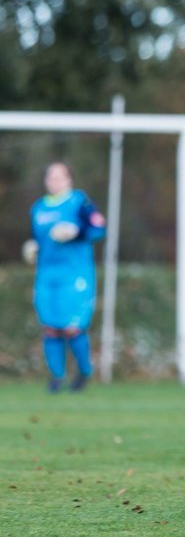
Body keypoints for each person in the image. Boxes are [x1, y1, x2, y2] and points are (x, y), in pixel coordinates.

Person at [25, 162, 107, 393]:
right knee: (50, 327)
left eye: (60, 177)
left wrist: (77, 232)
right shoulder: (38, 209)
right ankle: (56, 378)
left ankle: (84, 371)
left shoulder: (79, 202)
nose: (55, 181)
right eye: (51, 177)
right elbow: (39, 240)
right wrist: (33, 248)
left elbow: (99, 228)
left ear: (69, 179)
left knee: (72, 327)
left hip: (75, 273)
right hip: (47, 275)